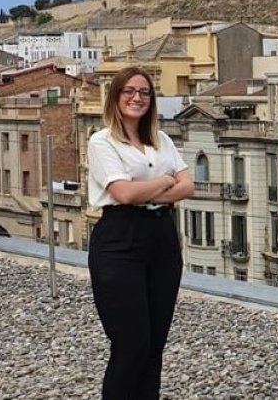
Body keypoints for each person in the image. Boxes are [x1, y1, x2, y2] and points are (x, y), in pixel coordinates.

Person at [87, 66, 194, 400]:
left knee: (154, 345)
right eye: (129, 91)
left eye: (144, 92)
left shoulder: (160, 139)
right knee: (130, 344)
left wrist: (146, 190)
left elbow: (188, 185)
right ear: (116, 97)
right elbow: (124, 195)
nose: (137, 98)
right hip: (120, 239)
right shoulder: (101, 141)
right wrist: (164, 182)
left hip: (161, 238)